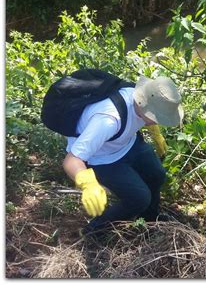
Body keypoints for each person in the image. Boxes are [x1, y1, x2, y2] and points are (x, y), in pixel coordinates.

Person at [62, 75, 183, 235]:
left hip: (126, 142)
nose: (157, 121)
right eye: (156, 117)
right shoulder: (107, 120)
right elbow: (71, 160)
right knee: (139, 198)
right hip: (102, 158)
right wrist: (88, 184)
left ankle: (150, 220)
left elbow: (143, 118)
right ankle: (94, 231)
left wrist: (157, 136)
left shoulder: (141, 96)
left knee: (157, 174)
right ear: (144, 106)